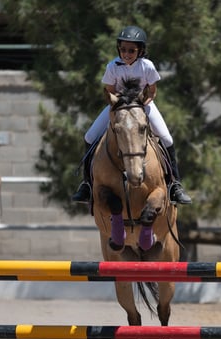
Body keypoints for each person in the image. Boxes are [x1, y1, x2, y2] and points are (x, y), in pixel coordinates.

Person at [72, 25, 192, 204]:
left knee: (167, 139)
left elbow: (152, 91)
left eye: (131, 50)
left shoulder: (147, 66)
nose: (126, 54)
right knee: (89, 136)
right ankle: (87, 185)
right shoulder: (113, 66)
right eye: (123, 50)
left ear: (140, 51)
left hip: (143, 105)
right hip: (119, 107)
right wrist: (122, 104)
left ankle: (174, 185)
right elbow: (110, 90)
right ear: (118, 49)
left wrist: (140, 105)